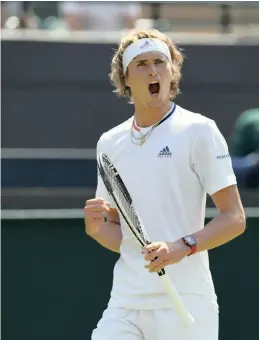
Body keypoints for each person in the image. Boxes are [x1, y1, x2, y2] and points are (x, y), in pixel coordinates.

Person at [84, 29, 246, 340]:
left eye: (160, 61)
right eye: (141, 64)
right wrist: (96, 229)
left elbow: (234, 219)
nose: (153, 70)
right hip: (126, 303)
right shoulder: (109, 143)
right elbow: (122, 235)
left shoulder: (199, 131)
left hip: (186, 305)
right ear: (125, 78)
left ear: (172, 72)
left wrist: (180, 247)